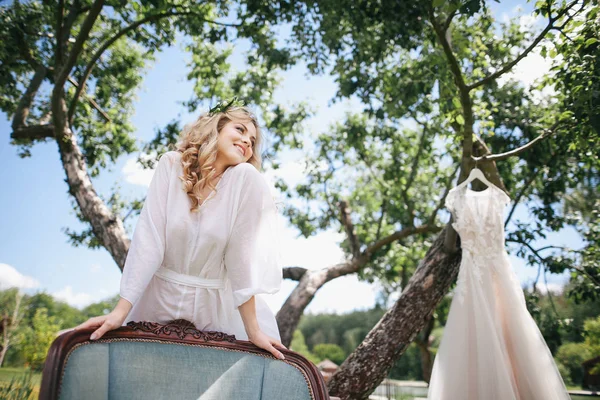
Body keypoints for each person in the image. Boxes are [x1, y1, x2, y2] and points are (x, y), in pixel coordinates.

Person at [75, 101, 286, 360]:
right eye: (240, 130)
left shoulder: (245, 179)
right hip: (157, 298)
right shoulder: (171, 164)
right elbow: (149, 240)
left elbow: (240, 258)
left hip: (215, 308)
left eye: (252, 141)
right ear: (216, 129)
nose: (246, 142)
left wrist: (253, 331)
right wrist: (120, 311)